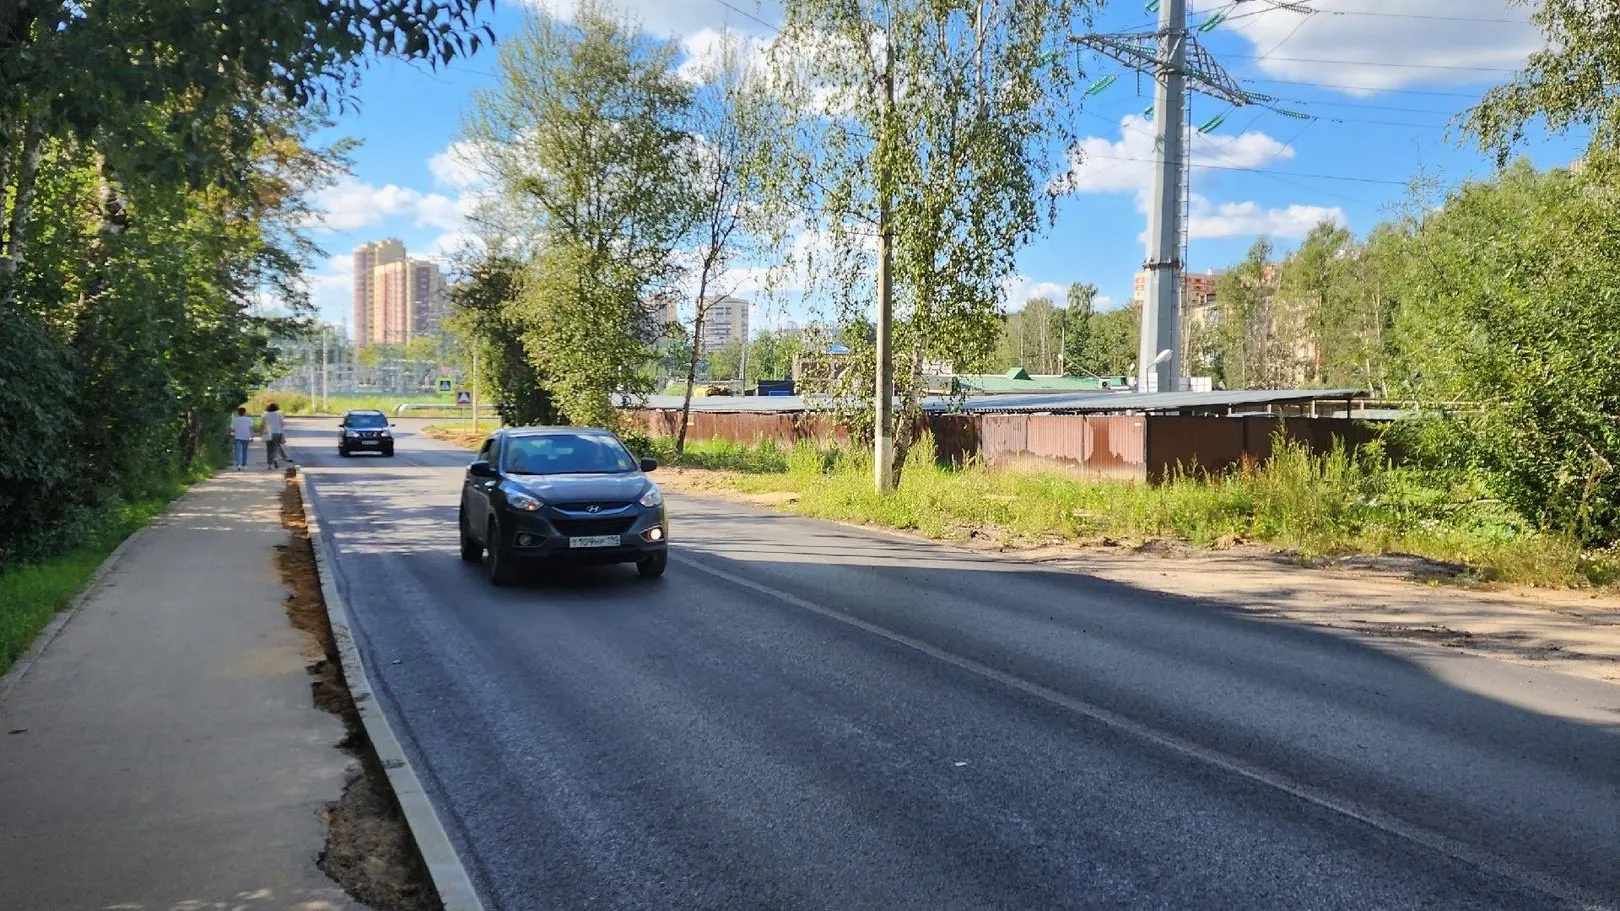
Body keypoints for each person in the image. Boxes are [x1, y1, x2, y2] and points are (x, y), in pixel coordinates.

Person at [262, 402, 289, 470]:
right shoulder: (279, 414)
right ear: (276, 408)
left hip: (268, 432)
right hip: (277, 432)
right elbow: (282, 425)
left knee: (269, 449)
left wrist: (261, 433)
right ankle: (275, 460)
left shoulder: (265, 414)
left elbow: (263, 425)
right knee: (275, 448)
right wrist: (283, 435)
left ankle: (269, 465)